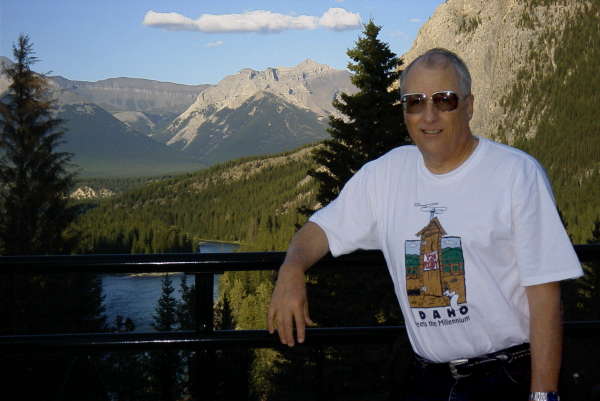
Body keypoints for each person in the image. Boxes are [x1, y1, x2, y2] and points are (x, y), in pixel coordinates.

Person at [267, 48, 583, 401]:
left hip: (507, 378)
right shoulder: (384, 175)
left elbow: (545, 297)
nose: (429, 115)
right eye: (414, 102)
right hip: (425, 380)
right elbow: (321, 229)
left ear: (469, 106)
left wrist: (543, 395)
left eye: (444, 100)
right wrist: (291, 269)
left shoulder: (516, 174)